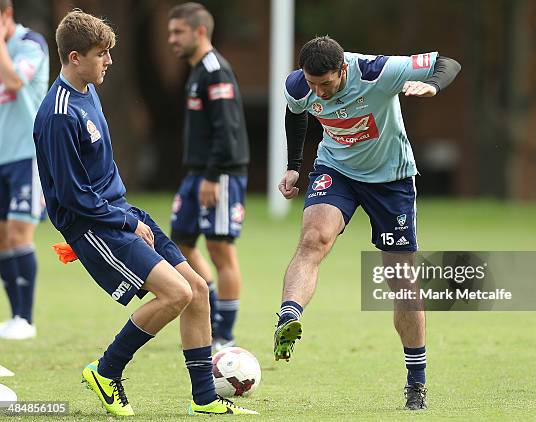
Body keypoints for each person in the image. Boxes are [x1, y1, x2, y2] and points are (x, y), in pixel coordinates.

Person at [33, 10, 256, 416]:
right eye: (101, 54)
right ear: (75, 57)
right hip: (95, 226)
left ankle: (204, 398)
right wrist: (126, 222)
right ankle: (106, 371)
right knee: (176, 293)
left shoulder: (88, 91)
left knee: (199, 290)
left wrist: (129, 215)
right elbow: (70, 196)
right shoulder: (59, 113)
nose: (109, 61)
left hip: (119, 211)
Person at [273, 36, 460, 410]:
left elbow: (448, 62)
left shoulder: (377, 71)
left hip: (390, 179)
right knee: (313, 239)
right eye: (313, 85)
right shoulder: (299, 84)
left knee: (401, 279)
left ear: (343, 70)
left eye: (325, 84)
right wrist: (295, 166)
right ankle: (288, 318)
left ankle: (416, 381)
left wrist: (432, 84)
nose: (319, 94)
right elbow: (296, 113)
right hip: (336, 170)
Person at [167, 3, 249, 352]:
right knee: (181, 243)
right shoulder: (197, 70)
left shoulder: (215, 70)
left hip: (219, 174)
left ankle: (225, 334)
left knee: (220, 249)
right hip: (196, 173)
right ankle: (212, 312)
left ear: (200, 32)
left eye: (178, 32)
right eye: (170, 32)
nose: (171, 39)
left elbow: (227, 129)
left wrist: (214, 176)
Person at [0, 0, 48, 340]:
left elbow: (15, 82)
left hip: (26, 155)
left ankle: (25, 318)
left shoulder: (31, 44)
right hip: (1, 156)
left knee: (19, 233)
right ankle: (15, 317)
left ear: (6, 15)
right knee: (2, 239)